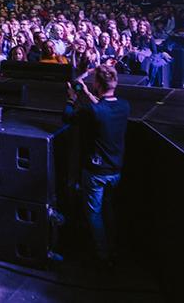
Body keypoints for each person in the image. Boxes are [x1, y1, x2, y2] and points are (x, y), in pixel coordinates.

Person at [64, 64, 130, 265]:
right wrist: (86, 93)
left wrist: (72, 98)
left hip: (96, 172)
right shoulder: (124, 106)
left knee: (94, 213)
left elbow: (68, 117)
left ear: (97, 84)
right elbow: (103, 108)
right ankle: (114, 247)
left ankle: (103, 255)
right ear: (115, 82)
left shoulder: (93, 111)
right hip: (116, 169)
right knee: (109, 209)